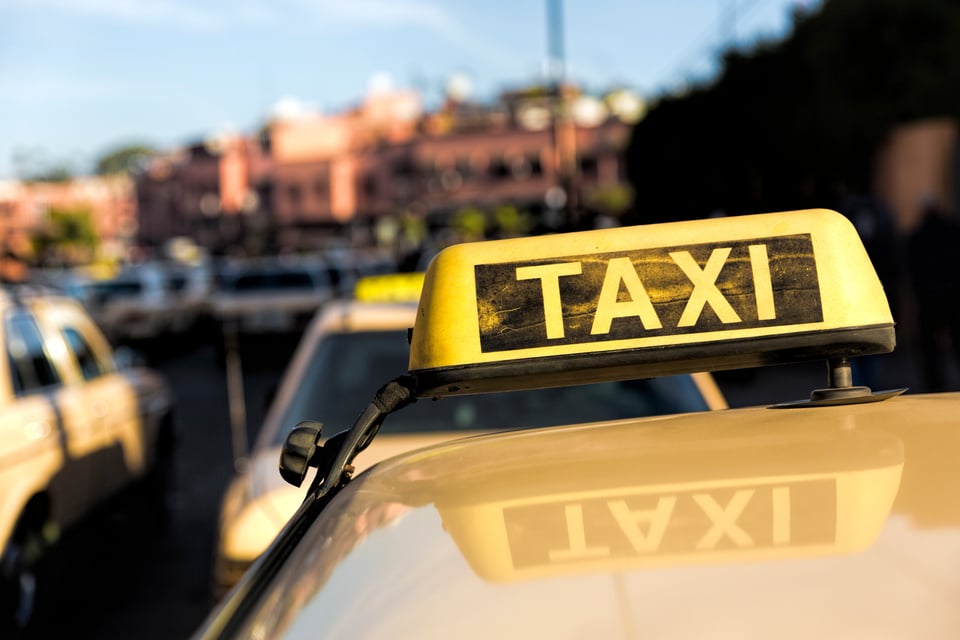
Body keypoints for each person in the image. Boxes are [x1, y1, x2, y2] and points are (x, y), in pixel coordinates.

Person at [906, 199, 960, 391]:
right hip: (953, 296)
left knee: (929, 347)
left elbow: (911, 268)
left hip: (927, 298)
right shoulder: (953, 231)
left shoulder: (917, 236)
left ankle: (934, 384)